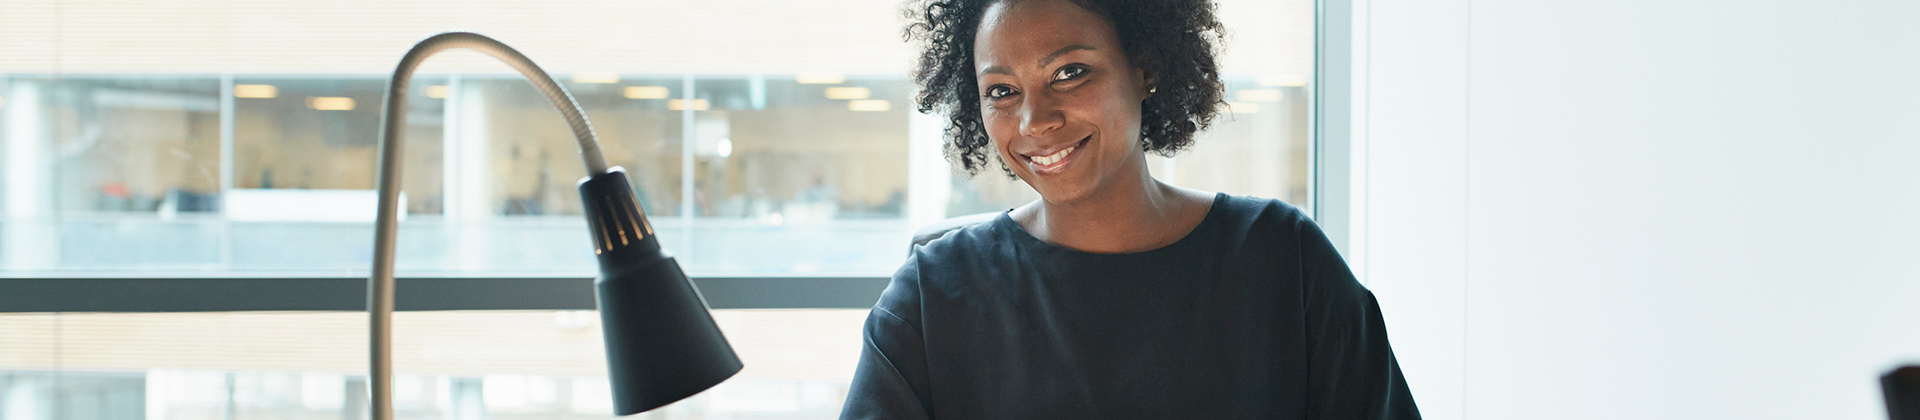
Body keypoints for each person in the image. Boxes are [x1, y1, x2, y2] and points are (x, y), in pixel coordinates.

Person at [841, 0, 1421, 417]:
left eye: (1070, 73)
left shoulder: (1282, 259)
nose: (1034, 121)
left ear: (1144, 68)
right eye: (1002, 90)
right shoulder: (933, 295)